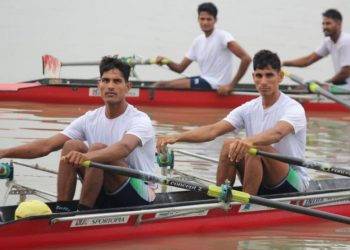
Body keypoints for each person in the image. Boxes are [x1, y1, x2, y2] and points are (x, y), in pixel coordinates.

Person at [0, 56, 156, 212]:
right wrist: (4, 152)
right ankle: (63, 210)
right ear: (98, 85)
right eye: (105, 80)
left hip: (139, 195)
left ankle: (83, 213)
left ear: (128, 87)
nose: (110, 86)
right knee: (71, 145)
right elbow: (46, 146)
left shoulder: (140, 120)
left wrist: (88, 157)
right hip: (102, 189)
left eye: (116, 81)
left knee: (96, 149)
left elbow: (124, 147)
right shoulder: (90, 119)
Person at [157, 50, 309, 195]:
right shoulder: (249, 108)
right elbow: (213, 130)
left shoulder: (293, 108)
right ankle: (221, 198)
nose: (263, 82)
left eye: (269, 75)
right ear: (253, 76)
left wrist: (249, 141)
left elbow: (277, 133)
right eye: (259, 75)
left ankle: (246, 205)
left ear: (280, 77)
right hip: (260, 177)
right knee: (228, 145)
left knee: (254, 146)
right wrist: (178, 137)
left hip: (292, 181)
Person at [153, 2, 251, 95]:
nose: (205, 22)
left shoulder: (223, 36)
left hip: (217, 85)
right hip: (204, 80)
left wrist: (231, 85)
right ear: (198, 19)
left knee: (163, 85)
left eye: (209, 19)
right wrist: (166, 61)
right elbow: (180, 68)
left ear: (215, 20)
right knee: (161, 84)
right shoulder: (198, 41)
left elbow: (246, 58)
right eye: (202, 19)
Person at [283, 9, 350, 90]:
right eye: (323, 24)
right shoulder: (328, 41)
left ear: (339, 24)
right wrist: (283, 63)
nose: (325, 27)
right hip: (341, 84)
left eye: (328, 23)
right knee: (304, 87)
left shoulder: (346, 41)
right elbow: (308, 60)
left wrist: (326, 83)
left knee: (318, 88)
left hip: (347, 87)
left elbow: (345, 72)